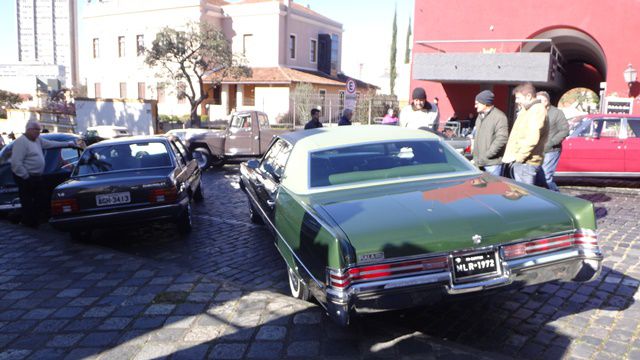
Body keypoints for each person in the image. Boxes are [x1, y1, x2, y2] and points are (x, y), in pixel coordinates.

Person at [10, 121, 78, 227]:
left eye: (39, 130)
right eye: (36, 130)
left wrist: (68, 144)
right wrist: (26, 177)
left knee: (42, 198)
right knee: (28, 200)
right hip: (25, 176)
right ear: (29, 130)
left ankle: (35, 219)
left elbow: (50, 144)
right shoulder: (21, 142)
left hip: (36, 176)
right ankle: (29, 222)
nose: (38, 132)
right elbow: (16, 163)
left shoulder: (37, 140)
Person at [502, 83, 549, 185]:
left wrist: (519, 157)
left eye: (518, 97)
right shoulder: (528, 109)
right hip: (525, 162)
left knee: (525, 197)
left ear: (528, 96)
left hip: (526, 163)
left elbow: (532, 137)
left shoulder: (537, 110)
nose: (516, 101)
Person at [536, 91, 569, 191]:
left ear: (546, 101)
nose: (537, 103)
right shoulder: (535, 113)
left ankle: (556, 198)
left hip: (551, 150)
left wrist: (551, 143)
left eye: (540, 100)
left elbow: (565, 130)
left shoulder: (556, 113)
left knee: (546, 177)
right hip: (537, 150)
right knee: (538, 178)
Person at [472, 90, 509, 176]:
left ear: (485, 103)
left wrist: (487, 155)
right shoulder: (480, 116)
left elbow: (502, 138)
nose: (475, 106)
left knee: (493, 188)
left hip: (492, 164)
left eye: (477, 103)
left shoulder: (500, 117)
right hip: (478, 162)